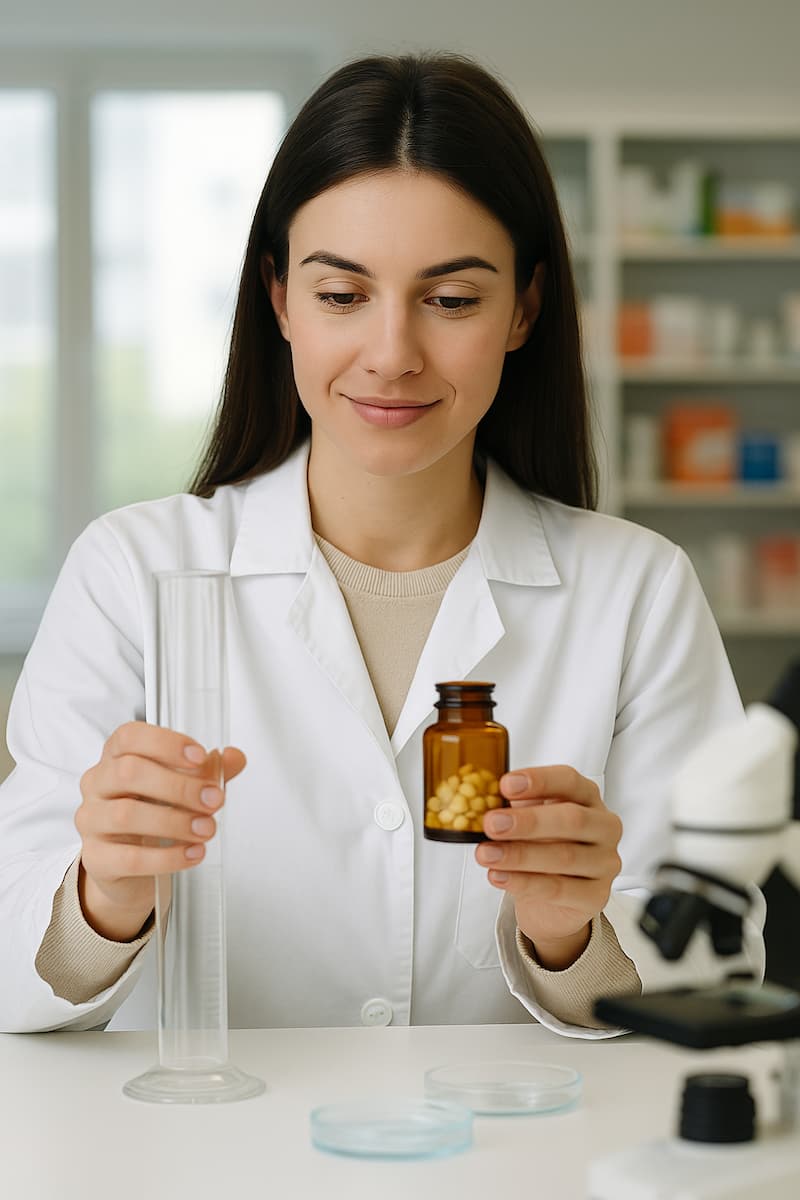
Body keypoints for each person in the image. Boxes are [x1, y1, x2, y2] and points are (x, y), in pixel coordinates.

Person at [0, 51, 763, 1037]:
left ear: (522, 310)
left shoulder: (637, 591)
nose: (392, 353)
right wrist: (105, 893)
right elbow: (14, 983)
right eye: (340, 295)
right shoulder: (132, 572)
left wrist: (571, 938)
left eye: (450, 300)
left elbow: (711, 980)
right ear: (277, 298)